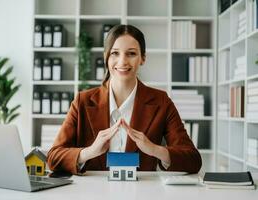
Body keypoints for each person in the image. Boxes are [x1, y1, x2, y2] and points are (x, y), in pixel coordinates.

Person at [47, 24, 202, 175]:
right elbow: (53, 158)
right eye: (115, 53)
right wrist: (89, 152)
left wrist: (154, 149)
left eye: (131, 53)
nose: (122, 62)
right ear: (106, 57)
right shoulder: (83, 101)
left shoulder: (161, 101)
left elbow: (193, 160)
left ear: (143, 58)